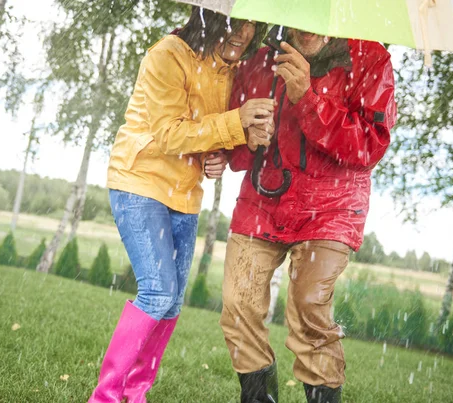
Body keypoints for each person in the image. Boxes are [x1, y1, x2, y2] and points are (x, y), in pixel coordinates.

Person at [86, 8, 272, 403]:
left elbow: (208, 135)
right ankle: (105, 397)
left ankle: (135, 395)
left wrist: (217, 156)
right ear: (208, 18)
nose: (244, 32)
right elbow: (170, 135)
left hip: (185, 194)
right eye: (235, 23)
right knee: (157, 292)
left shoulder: (228, 72)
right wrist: (235, 122)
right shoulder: (167, 54)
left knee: (170, 304)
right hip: (139, 182)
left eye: (251, 25)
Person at [220, 27, 397, 403]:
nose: (308, 27)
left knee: (308, 306)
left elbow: (369, 146)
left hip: (331, 209)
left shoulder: (370, 60)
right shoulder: (259, 61)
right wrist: (243, 136)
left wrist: (307, 99)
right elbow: (236, 146)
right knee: (239, 304)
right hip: (262, 201)